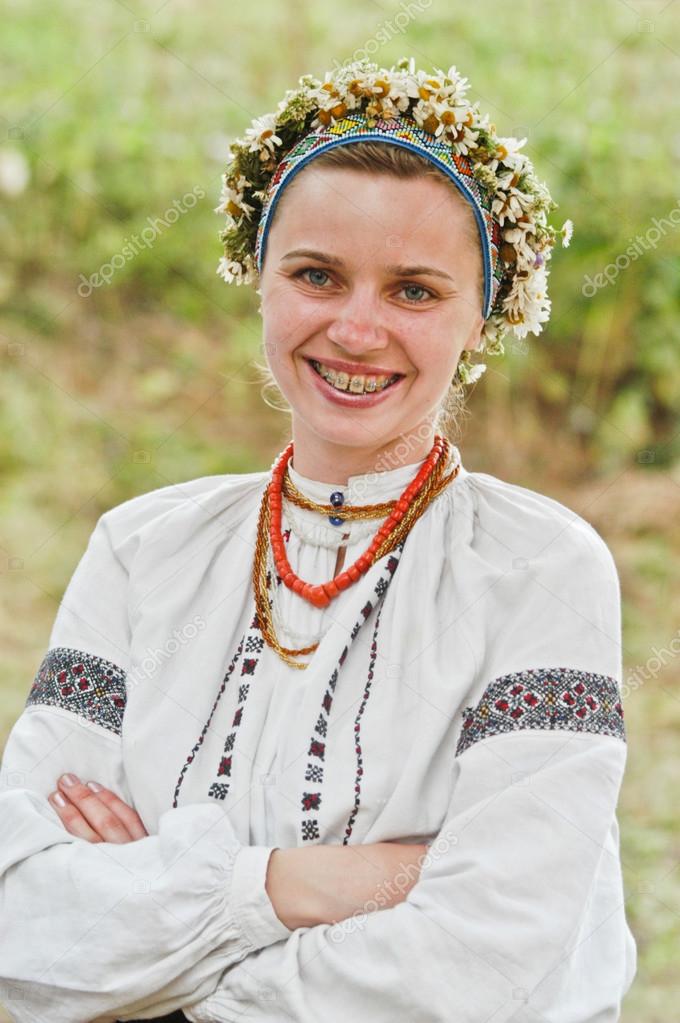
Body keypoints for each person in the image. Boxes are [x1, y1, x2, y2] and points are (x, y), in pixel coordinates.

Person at [0, 55, 636, 1023]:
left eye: (414, 292)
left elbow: (481, 967)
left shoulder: (539, 576)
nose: (355, 327)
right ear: (258, 282)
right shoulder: (140, 553)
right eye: (315, 275)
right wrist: (292, 887)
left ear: (481, 319)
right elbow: (21, 925)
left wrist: (157, 954)